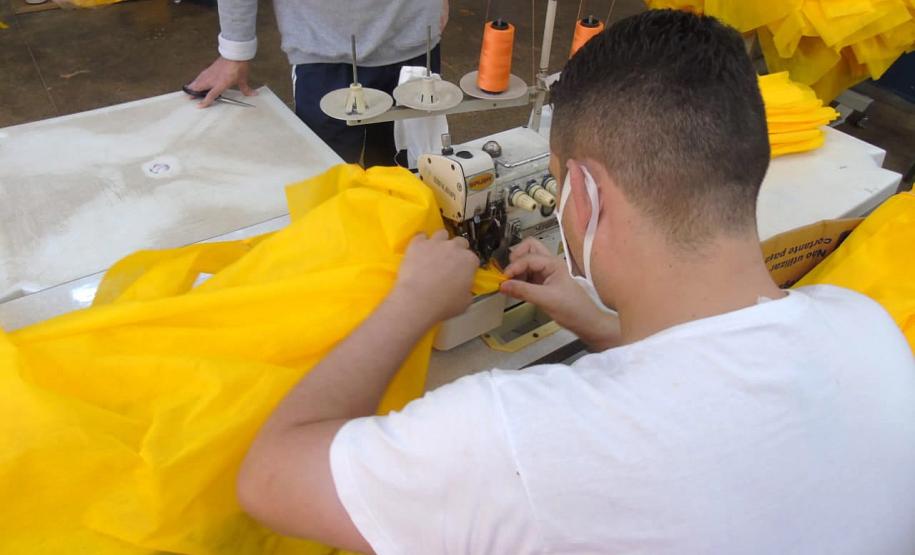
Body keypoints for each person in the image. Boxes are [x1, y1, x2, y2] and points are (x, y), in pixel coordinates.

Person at [235, 10, 915, 554]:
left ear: (583, 194)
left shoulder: (513, 441)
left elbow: (269, 476)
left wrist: (409, 305)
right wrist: (602, 326)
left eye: (557, 185)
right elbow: (716, 386)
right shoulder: (866, 330)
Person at [187, 0, 448, 166]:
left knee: (407, 182)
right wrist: (235, 50)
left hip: (414, 37)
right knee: (328, 183)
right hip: (323, 49)